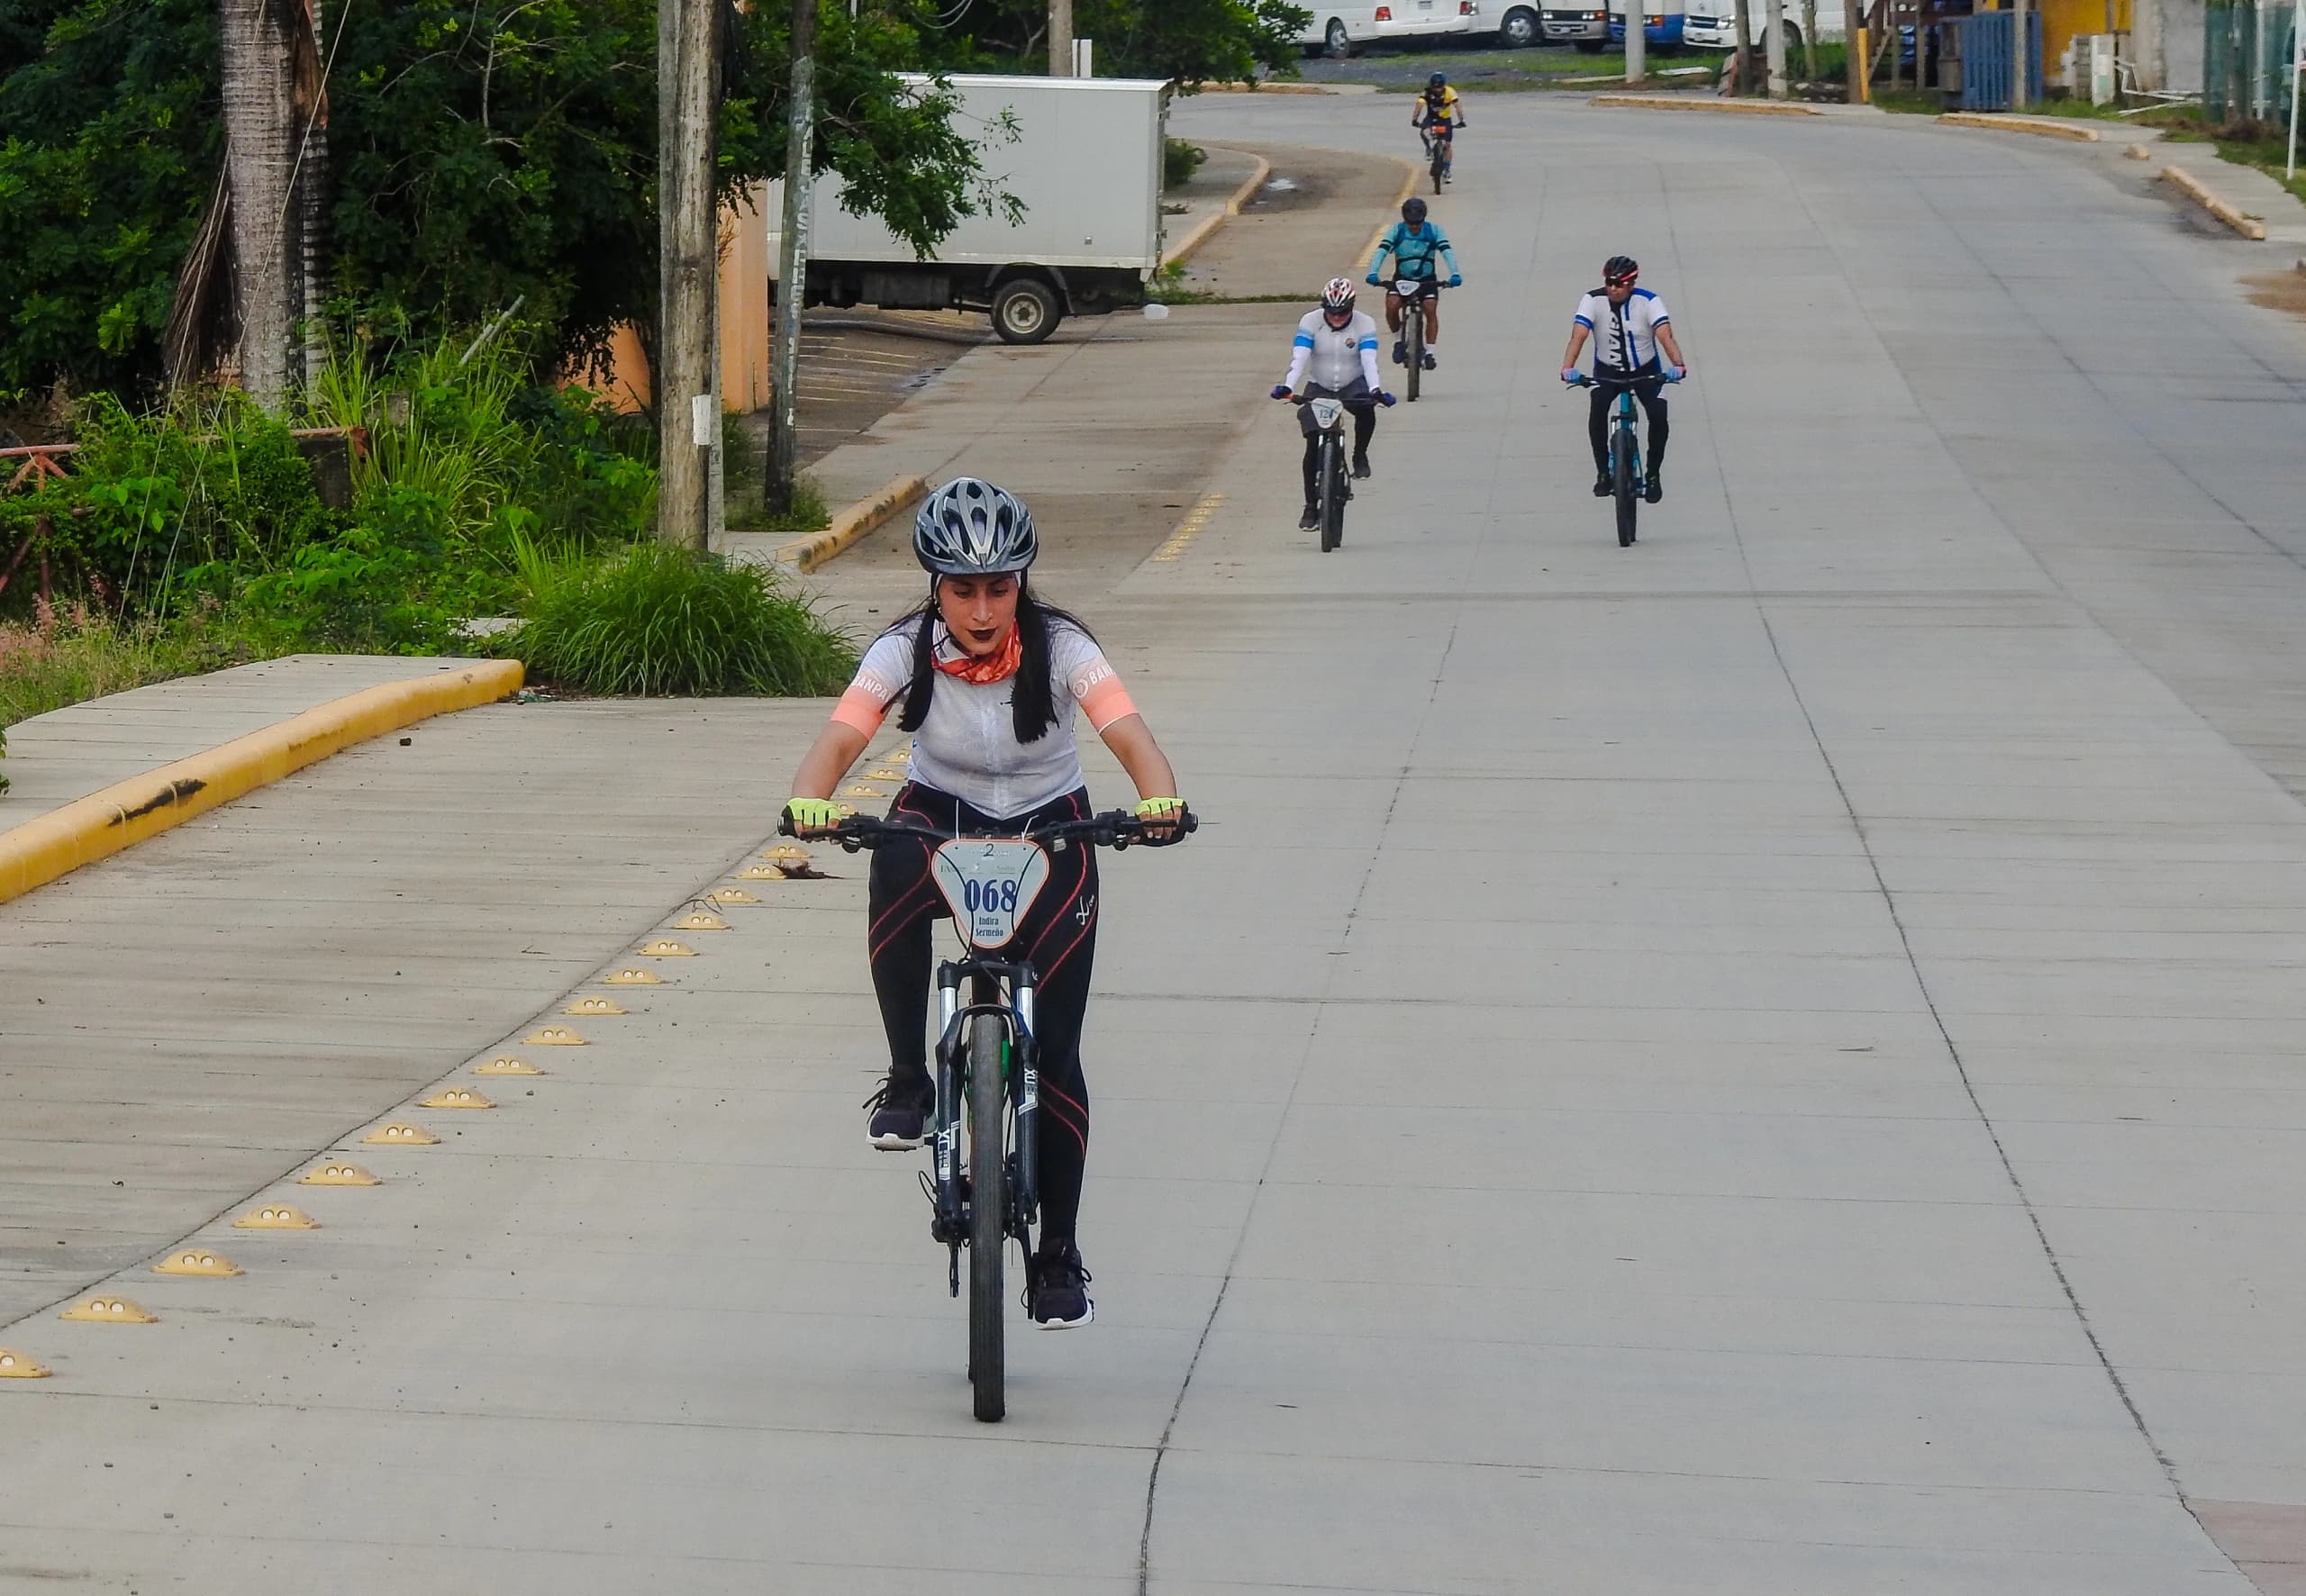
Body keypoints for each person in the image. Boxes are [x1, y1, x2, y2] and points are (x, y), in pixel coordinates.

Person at [781, 476, 1191, 1329]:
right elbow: (843, 732)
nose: (980, 607)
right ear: (934, 585)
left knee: (1062, 1059)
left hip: (1052, 827)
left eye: (997, 587)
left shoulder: (1064, 645)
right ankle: (907, 1080)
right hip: (945, 814)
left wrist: (1159, 800)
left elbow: (1128, 734)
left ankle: (1057, 1258)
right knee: (889, 860)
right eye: (962, 589)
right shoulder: (903, 648)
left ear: (1022, 583)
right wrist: (810, 798)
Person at [1559, 255, 1688, 504]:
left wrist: (1678, 365)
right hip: (1608, 372)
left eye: (1619, 284)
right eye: (1609, 282)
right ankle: (1603, 473)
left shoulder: (1649, 301)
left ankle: (1652, 475)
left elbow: (1665, 336)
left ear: (1632, 283)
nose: (1613, 289)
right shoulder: (1592, 300)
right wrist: (1568, 367)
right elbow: (1578, 336)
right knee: (1597, 409)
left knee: (1659, 415)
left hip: (1646, 370)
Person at [1271, 277, 1395, 530]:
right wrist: (1288, 386)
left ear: (1352, 307)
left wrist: (1376, 390)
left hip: (1353, 383)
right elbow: (1299, 357)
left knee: (1366, 411)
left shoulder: (1365, 324)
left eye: (1344, 312)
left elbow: (1369, 360)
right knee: (1312, 447)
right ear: (1323, 307)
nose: (1337, 317)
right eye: (1332, 312)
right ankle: (1309, 506)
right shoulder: (1310, 322)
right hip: (1320, 385)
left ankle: (1359, 455)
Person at [1366, 196, 1463, 372]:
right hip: (1402, 279)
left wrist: (1454, 273)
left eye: (1417, 223)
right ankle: (1398, 341)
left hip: (1427, 280)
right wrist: (1373, 272)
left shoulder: (1434, 231)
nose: (1414, 226)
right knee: (1392, 305)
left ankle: (1430, 353)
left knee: (1430, 307)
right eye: (1410, 223)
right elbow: (1381, 251)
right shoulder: (1397, 231)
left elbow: (1446, 252)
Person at [1410, 72, 1466, 184]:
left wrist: (1461, 119)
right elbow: (1419, 105)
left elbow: (1457, 105)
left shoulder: (1450, 91)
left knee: (1447, 145)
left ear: (1444, 85)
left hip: (1445, 120)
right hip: (1431, 118)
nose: (1438, 90)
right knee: (1424, 132)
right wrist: (1415, 119)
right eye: (1435, 88)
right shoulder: (1426, 92)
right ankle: (1428, 149)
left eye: (1440, 87)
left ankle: (1447, 170)